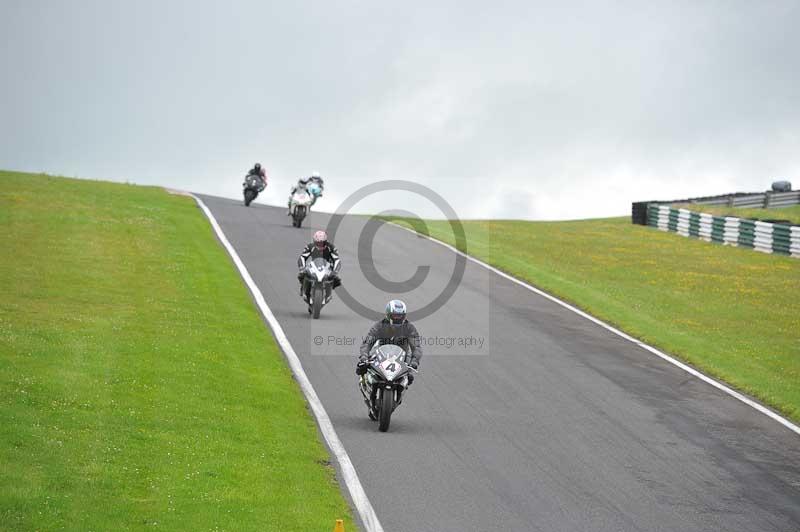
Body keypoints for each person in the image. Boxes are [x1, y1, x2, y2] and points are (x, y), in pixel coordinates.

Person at [357, 300, 422, 383]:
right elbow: (367, 343)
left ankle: (401, 388)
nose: (398, 318)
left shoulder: (409, 327)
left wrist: (414, 361)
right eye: (395, 316)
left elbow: (416, 347)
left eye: (400, 316)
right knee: (362, 367)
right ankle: (365, 381)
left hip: (402, 357)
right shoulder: (379, 325)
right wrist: (364, 356)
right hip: (381, 354)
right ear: (388, 314)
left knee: (409, 377)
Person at [297, 230, 342, 298]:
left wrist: (335, 271)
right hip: (313, 266)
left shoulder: (331, 247)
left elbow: (337, 260)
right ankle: (303, 287)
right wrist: (302, 268)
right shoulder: (310, 247)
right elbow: (302, 257)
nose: (320, 245)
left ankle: (329, 290)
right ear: (314, 242)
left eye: (322, 243)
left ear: (326, 241)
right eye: (318, 243)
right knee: (301, 275)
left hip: (328, 267)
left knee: (337, 280)